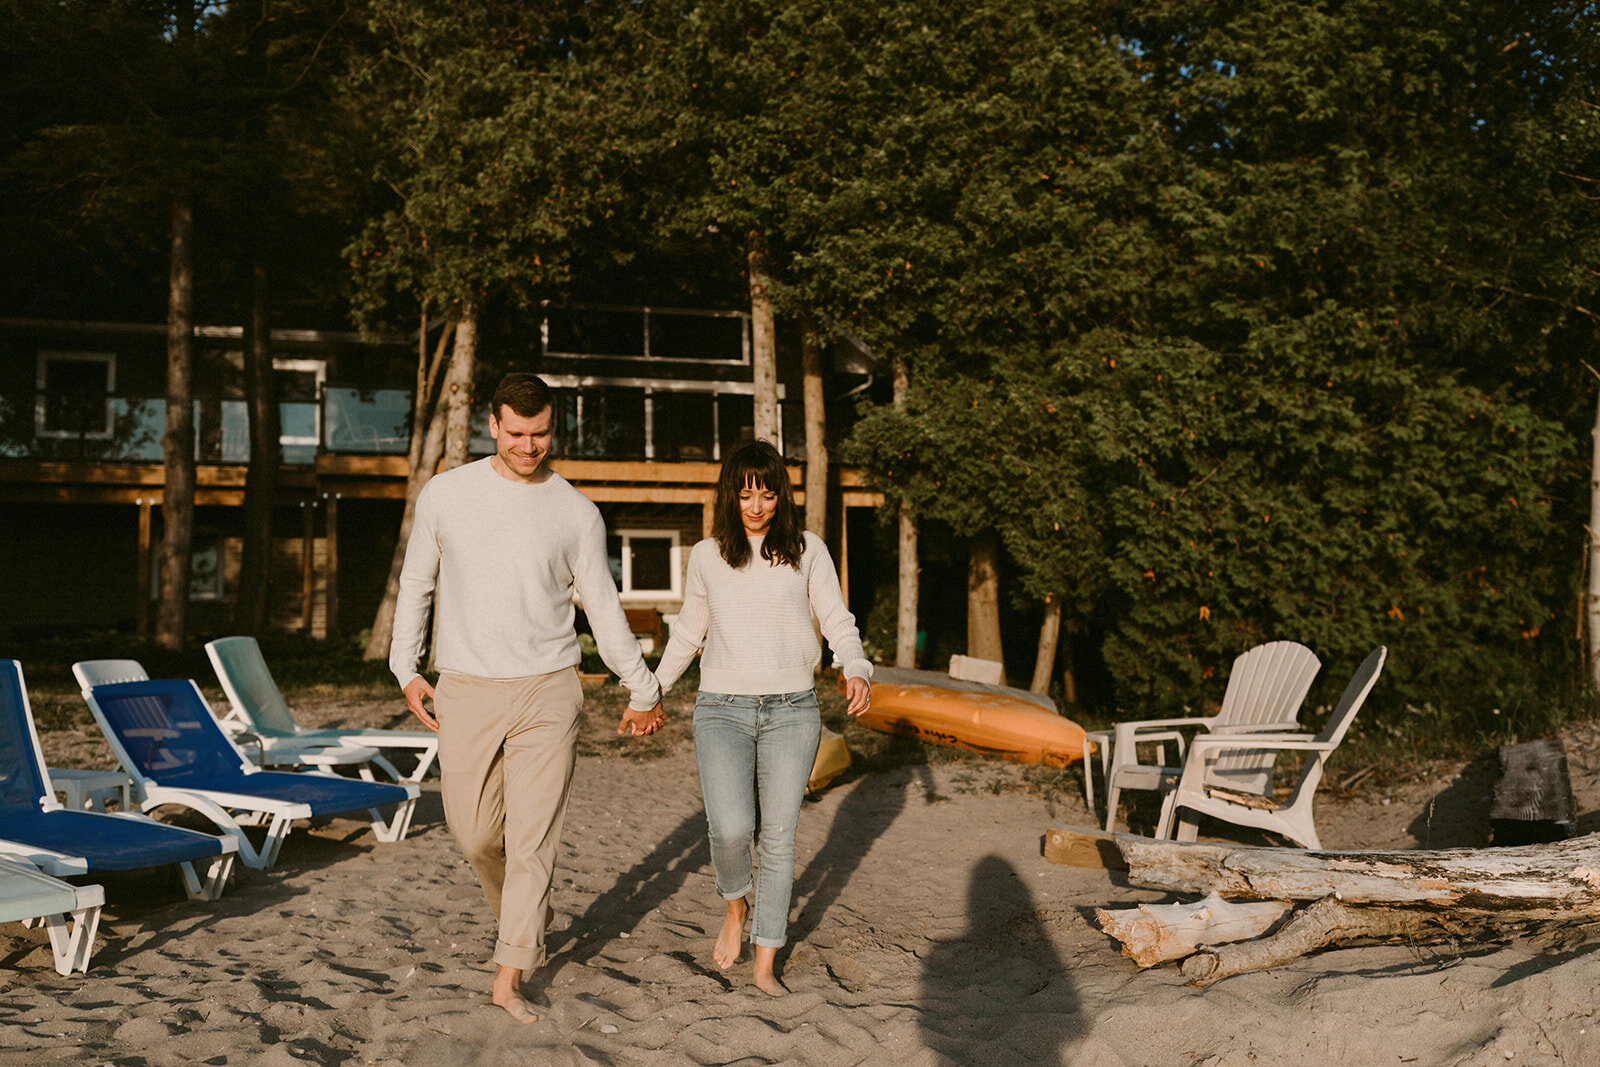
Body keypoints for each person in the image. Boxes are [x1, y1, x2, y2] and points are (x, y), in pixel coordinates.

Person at [390, 372, 665, 1024]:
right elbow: (416, 585)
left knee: (533, 842)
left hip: (549, 690)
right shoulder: (446, 495)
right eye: (517, 433)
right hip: (466, 687)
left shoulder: (575, 511)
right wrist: (406, 667)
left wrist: (643, 685)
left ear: (552, 427)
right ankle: (527, 913)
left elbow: (602, 607)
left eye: (540, 433)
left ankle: (509, 972)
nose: (529, 445)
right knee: (476, 832)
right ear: (494, 425)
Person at [653, 438, 873, 996]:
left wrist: (856, 667)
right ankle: (735, 907)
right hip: (720, 711)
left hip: (791, 711)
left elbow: (836, 617)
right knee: (730, 830)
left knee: (778, 839)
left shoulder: (807, 550)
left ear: (782, 497)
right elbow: (688, 632)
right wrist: (650, 691)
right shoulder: (707, 556)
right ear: (731, 494)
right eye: (746, 494)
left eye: (767, 495)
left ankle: (764, 963)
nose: (756, 506)